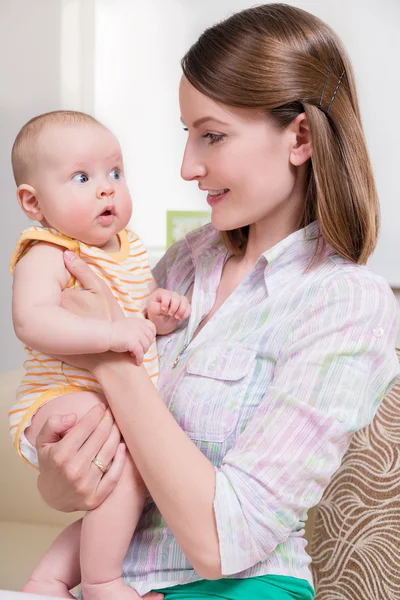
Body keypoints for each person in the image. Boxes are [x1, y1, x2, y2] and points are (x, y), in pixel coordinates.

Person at [26, 4, 400, 600]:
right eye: (187, 134)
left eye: (213, 135)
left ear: (300, 136)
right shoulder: (186, 261)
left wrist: (111, 356)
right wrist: (58, 478)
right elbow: (82, 446)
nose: (187, 167)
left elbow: (225, 542)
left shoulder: (345, 303)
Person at [9, 111, 190, 600]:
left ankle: (47, 581)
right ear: (34, 201)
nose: (106, 189)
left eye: (115, 173)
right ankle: (102, 582)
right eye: (82, 177)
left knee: (124, 496)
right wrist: (109, 335)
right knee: (125, 470)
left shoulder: (128, 248)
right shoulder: (49, 250)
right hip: (60, 395)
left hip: (112, 397)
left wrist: (160, 314)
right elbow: (32, 320)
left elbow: (141, 325)